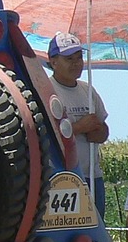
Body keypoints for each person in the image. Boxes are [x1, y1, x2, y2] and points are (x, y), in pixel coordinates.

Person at [46, 32, 109, 213]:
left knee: (98, 233)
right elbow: (48, 135)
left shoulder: (88, 90)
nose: (76, 63)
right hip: (62, 177)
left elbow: (103, 133)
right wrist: (81, 127)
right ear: (53, 61)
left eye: (79, 57)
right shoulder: (46, 91)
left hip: (92, 175)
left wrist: (97, 130)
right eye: (69, 59)